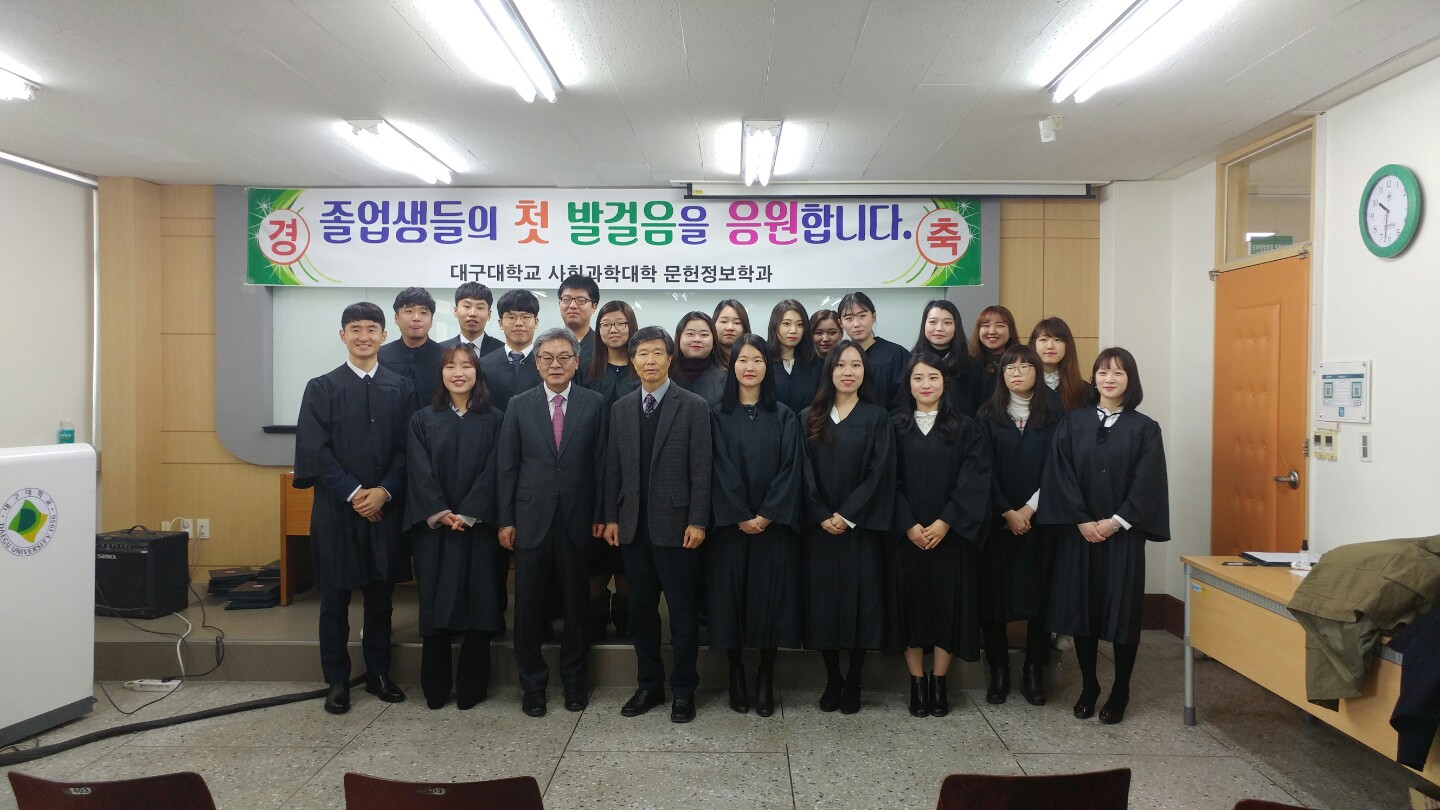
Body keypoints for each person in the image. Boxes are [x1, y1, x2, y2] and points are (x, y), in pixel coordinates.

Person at [293, 302, 417, 715]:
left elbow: (410, 448)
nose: (364, 336)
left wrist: (384, 492)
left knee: (381, 599)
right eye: (355, 329)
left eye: (371, 329)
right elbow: (314, 450)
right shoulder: (321, 387)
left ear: (384, 335)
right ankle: (337, 680)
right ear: (342, 335)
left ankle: (379, 673)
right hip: (337, 512)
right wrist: (355, 494)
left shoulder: (402, 387)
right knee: (334, 599)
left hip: (385, 509)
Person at [1038, 347, 1170, 726]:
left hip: (1122, 536)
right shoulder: (1073, 423)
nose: (1109, 379)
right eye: (1102, 372)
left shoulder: (1144, 428)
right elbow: (1060, 473)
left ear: (1131, 380)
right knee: (1084, 612)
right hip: (1079, 535)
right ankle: (1090, 686)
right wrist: (1081, 520)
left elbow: (1148, 482)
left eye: (1118, 373)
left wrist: (1115, 522)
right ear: (1093, 379)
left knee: (1123, 613)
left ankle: (1121, 689)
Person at [497, 328, 608, 718]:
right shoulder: (518, 404)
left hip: (579, 519)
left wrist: (602, 513)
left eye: (564, 357)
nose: (555, 364)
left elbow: (602, 464)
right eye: (547, 357)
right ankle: (533, 686)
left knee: (577, 604)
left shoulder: (595, 404)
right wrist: (506, 519)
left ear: (577, 362)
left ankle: (574, 682)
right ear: (537, 362)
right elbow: (507, 466)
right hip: (530, 518)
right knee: (528, 606)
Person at [603, 326, 713, 724]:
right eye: (642, 354)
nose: (650, 360)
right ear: (633, 362)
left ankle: (684, 689)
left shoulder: (694, 406)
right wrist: (611, 517)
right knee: (640, 612)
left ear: (670, 359)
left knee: (682, 614)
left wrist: (698, 520)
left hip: (678, 527)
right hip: (633, 528)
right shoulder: (621, 408)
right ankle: (649, 685)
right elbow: (612, 469)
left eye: (657, 353)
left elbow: (702, 470)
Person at [708, 334, 806, 717]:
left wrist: (766, 514)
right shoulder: (716, 415)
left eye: (758, 360)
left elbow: (791, 469)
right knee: (729, 600)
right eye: (743, 360)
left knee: (771, 601)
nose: (750, 367)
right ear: (732, 366)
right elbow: (717, 468)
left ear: (768, 366)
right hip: (729, 528)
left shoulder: (784, 416)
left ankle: (766, 675)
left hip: (772, 528)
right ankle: (735, 673)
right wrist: (740, 514)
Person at [403, 344, 505, 710]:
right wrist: (440, 510)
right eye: (450, 366)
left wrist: (470, 513)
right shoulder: (422, 419)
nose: (458, 373)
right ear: (440, 373)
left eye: (466, 366)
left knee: (481, 602)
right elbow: (418, 469)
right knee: (434, 603)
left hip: (479, 528)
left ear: (478, 372)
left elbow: (497, 469)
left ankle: (472, 687)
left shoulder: (496, 419)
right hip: (435, 530)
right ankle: (435, 686)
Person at [888, 353, 990, 718]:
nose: (926, 384)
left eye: (933, 377)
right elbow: (886, 480)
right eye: (918, 378)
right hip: (907, 535)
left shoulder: (966, 427)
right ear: (908, 385)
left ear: (945, 383)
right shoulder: (893, 426)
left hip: (951, 535)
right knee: (911, 607)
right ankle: (917, 681)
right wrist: (907, 524)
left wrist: (946, 522)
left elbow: (974, 479)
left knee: (949, 605)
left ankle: (940, 682)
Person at [800, 341, 895, 715]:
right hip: (819, 529)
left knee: (861, 604)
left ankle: (854, 678)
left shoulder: (877, 417)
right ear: (829, 371)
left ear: (865, 372)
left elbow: (880, 472)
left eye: (856, 365)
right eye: (840, 365)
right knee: (824, 605)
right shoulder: (809, 416)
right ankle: (832, 679)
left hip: (860, 529)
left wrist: (848, 515)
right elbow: (802, 470)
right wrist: (821, 513)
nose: (848, 372)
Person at [975, 345, 1062, 707]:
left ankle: (1033, 670)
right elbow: (982, 469)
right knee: (993, 599)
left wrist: (1029, 509)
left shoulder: (1054, 415)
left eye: (1025, 367)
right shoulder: (986, 415)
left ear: (1037, 373)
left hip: (1041, 522)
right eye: (1010, 368)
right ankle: (999, 671)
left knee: (1041, 597)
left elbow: (1058, 467)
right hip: (998, 523)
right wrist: (1008, 511)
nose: (1017, 373)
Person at [581, 300, 640, 639]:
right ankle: (595, 617)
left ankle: (627, 619)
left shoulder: (642, 369)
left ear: (631, 327)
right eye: (606, 324)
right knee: (594, 558)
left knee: (627, 559)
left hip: (633, 477)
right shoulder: (586, 370)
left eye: (620, 323)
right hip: (590, 475)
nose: (613, 330)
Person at [909, 299, 984, 418]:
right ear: (924, 325)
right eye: (933, 322)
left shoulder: (972, 366)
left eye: (947, 323)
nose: (939, 328)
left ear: (956, 327)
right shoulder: (909, 362)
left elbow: (982, 408)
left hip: (964, 428)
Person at [836, 291, 908, 410]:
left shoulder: (896, 355)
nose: (856, 324)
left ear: (873, 317)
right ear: (840, 323)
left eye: (862, 316)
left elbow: (903, 402)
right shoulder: (837, 357)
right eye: (849, 318)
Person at [378, 287, 445, 409]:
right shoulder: (380, 356)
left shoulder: (445, 357)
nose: (416, 318)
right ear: (396, 318)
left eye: (423, 312)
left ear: (431, 321)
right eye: (409, 311)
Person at [478, 289, 542, 410]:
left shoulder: (546, 363)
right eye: (511, 317)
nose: (519, 323)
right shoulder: (484, 364)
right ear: (500, 323)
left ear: (536, 322)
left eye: (526, 317)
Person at [767, 299, 822, 416]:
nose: (793, 330)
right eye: (786, 324)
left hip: (807, 426)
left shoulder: (814, 364)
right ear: (775, 325)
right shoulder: (764, 361)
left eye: (800, 325)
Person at [1030, 317, 1088, 411]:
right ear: (1033, 344)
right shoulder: (1024, 386)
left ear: (1067, 345)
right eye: (1043, 340)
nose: (1050, 346)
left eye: (1057, 340)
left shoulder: (1083, 390)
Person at [671, 311, 728, 406]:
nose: (697, 339)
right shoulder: (666, 374)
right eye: (690, 334)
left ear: (714, 340)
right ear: (679, 338)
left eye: (704, 335)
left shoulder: (725, 376)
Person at [968, 305, 1020, 402]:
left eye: (1000, 325)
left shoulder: (1021, 364)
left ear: (1011, 332)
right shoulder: (967, 365)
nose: (992, 331)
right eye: (986, 325)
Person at [443, 282, 504, 357]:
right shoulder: (442, 350)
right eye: (467, 306)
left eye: (480, 307)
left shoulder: (502, 351)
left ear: (489, 314)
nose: (473, 313)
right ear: (456, 311)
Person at [558, 273, 600, 369]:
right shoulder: (549, 345)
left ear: (594, 307)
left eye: (581, 300)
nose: (572, 306)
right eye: (566, 299)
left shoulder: (602, 346)